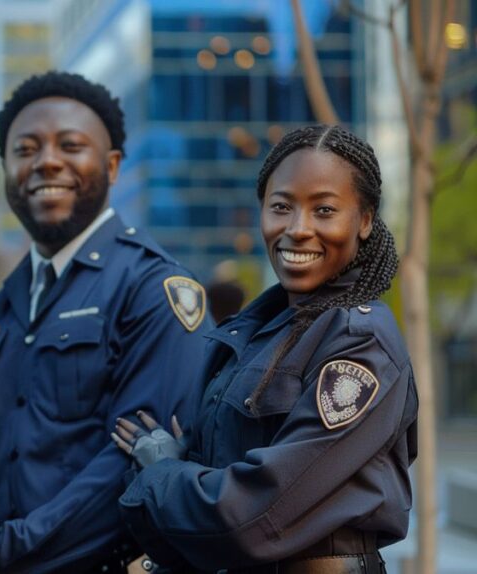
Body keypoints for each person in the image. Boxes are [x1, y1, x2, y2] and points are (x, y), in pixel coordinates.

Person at [0, 71, 211, 573]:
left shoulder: (154, 291)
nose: (47, 160)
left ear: (113, 166)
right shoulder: (0, 312)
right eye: (25, 149)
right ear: (6, 168)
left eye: (70, 146)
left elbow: (134, 472)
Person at [114, 125, 418, 573]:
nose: (298, 229)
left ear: (366, 221)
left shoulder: (358, 342)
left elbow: (256, 514)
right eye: (281, 207)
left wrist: (160, 472)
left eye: (325, 210)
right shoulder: (256, 333)